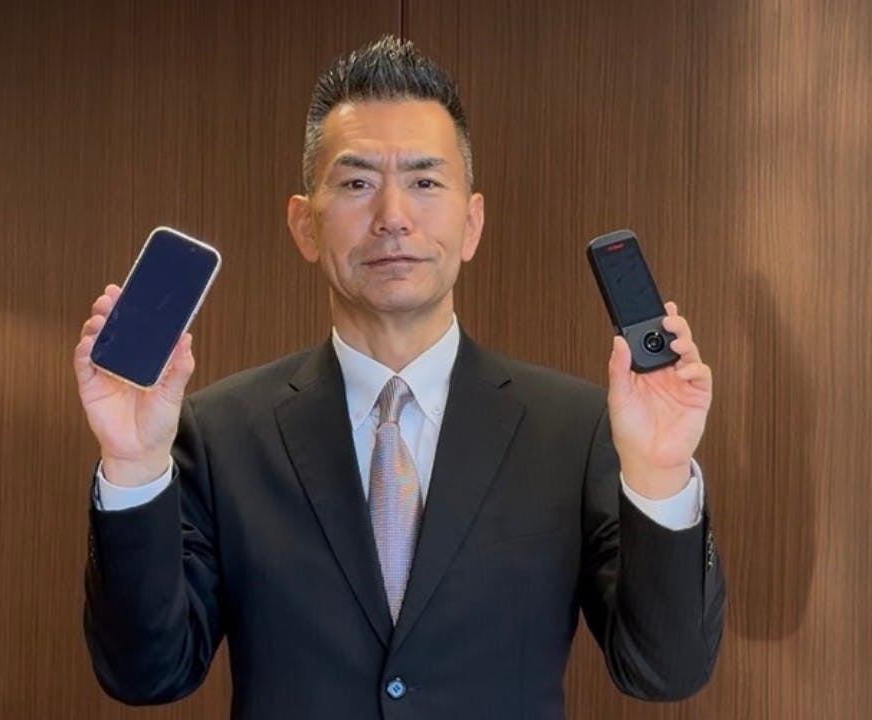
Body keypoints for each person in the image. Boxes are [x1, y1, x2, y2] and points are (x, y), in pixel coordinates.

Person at [75, 35, 724, 719]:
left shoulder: (574, 429)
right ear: (304, 225)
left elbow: (664, 670)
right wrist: (133, 464)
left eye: (425, 182)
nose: (392, 217)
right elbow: (147, 675)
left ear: (472, 223)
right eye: (357, 183)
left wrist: (659, 474)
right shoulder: (219, 433)